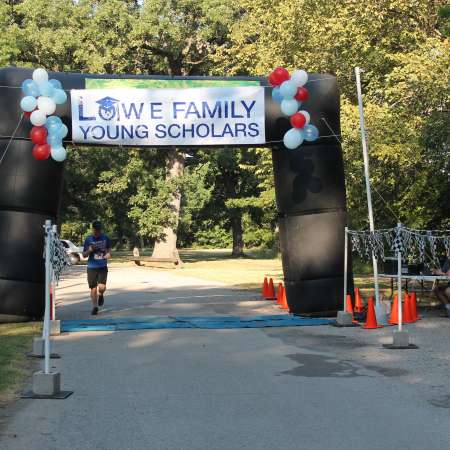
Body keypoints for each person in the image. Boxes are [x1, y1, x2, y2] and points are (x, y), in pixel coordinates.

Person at [82, 221, 112, 315]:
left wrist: (108, 255)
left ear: (100, 230)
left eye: (98, 230)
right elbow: (84, 255)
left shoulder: (105, 238)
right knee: (93, 288)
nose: (97, 232)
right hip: (92, 267)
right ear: (93, 229)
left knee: (102, 287)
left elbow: (109, 251)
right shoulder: (88, 239)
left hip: (102, 266)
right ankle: (95, 307)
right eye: (95, 230)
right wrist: (89, 250)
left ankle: (101, 294)